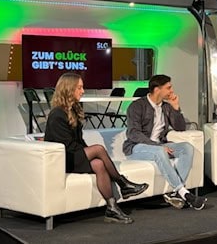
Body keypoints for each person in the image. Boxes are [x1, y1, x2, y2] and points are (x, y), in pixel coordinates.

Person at [44, 72, 149, 224]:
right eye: (79, 88)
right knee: (98, 149)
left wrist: (89, 154)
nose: (83, 91)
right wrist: (90, 152)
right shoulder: (57, 114)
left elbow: (78, 141)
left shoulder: (73, 109)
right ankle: (123, 183)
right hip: (63, 158)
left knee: (99, 164)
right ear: (68, 89)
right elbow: (65, 146)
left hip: (73, 154)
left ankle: (112, 208)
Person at [123, 74, 207, 210]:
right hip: (136, 148)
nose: (171, 91)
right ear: (157, 90)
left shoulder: (166, 107)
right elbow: (133, 133)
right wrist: (157, 146)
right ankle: (183, 192)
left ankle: (173, 193)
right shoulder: (137, 106)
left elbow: (180, 127)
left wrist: (176, 107)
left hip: (159, 145)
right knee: (160, 150)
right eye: (168, 88)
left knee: (187, 148)